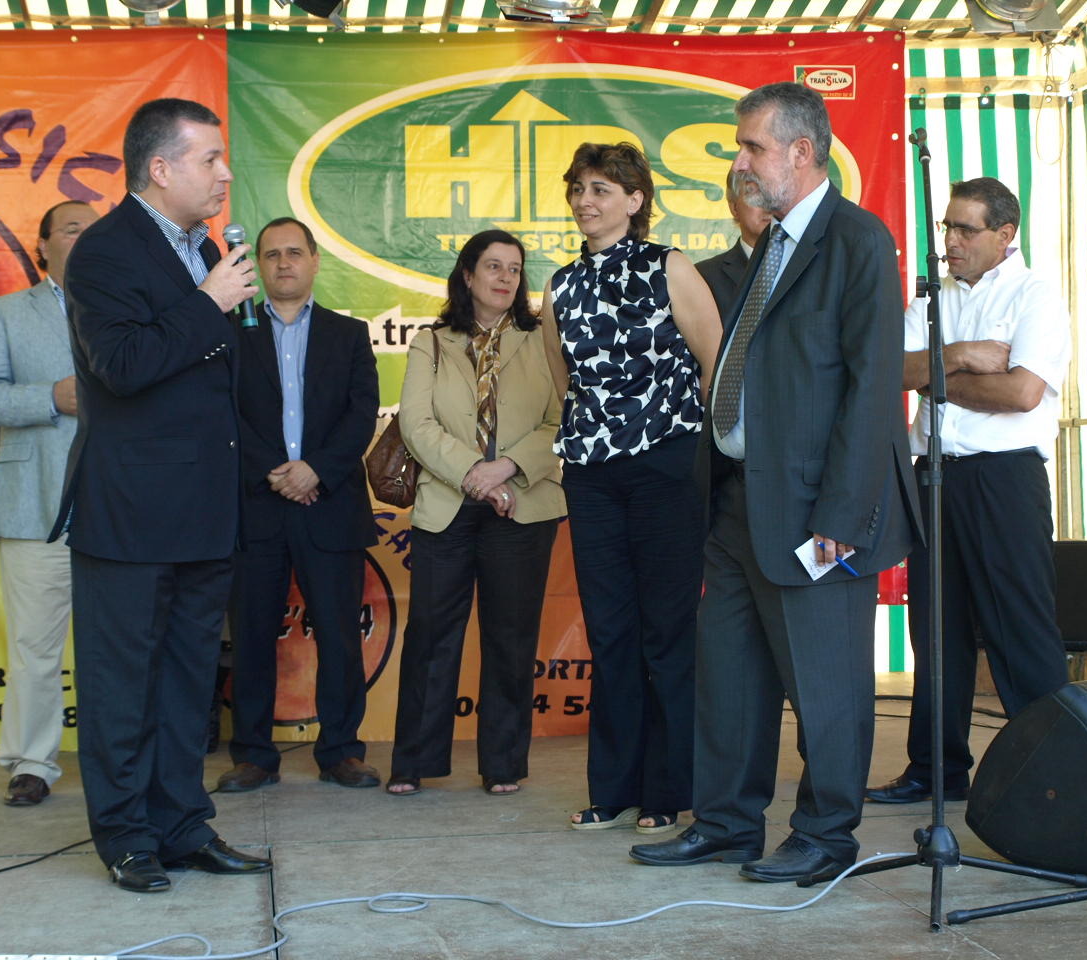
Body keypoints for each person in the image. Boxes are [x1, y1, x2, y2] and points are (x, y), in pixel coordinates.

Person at [630, 82, 921, 882]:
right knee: (728, 676)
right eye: (740, 146)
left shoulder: (856, 240)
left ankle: (826, 836)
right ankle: (727, 822)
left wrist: (842, 517)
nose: (741, 162)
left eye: (752, 147)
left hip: (814, 512)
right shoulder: (773, 244)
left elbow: (871, 389)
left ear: (801, 150)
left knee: (825, 684)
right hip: (736, 500)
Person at [51, 97, 270, 893]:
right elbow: (122, 366)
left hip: (205, 507)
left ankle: (181, 826)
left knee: (186, 682)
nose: (225, 173)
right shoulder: (105, 251)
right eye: (209, 158)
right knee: (123, 687)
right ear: (160, 168)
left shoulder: (204, 248)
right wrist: (209, 302)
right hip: (132, 512)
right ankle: (125, 836)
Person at [866, 177, 1069, 805]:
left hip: (1004, 477)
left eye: (964, 229)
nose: (949, 241)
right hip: (934, 474)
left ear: (1005, 235)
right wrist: (959, 354)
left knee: (1019, 629)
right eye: (947, 226)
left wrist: (935, 379)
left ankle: (1056, 775)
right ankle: (936, 770)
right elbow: (888, 370)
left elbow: (1021, 393)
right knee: (935, 630)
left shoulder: (1036, 295)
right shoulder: (934, 299)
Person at [541, 142, 721, 833]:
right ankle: (611, 789)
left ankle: (669, 791)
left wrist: (686, 445)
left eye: (601, 189)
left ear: (636, 200)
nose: (585, 200)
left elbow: (714, 360)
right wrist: (600, 436)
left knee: (666, 630)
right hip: (592, 474)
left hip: (667, 467)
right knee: (610, 630)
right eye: (579, 188)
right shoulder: (560, 285)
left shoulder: (669, 266)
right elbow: (565, 379)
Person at [388, 230, 565, 798]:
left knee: (511, 637)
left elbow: (562, 421)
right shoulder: (431, 343)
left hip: (524, 505)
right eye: (493, 266)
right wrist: (474, 473)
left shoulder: (544, 341)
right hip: (447, 506)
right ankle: (413, 762)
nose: (505, 277)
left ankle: (503, 765)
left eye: (514, 268)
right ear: (467, 275)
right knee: (431, 634)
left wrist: (506, 468)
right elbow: (416, 424)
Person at [217, 217, 380, 794]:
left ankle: (341, 751)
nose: (283, 263)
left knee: (339, 636)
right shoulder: (231, 333)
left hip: (329, 505)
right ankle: (254, 756)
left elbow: (361, 414)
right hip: (256, 505)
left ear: (314, 261)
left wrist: (317, 470)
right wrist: (277, 473)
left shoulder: (349, 333)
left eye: (294, 252)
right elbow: (222, 413)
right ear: (257, 266)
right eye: (271, 254)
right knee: (252, 637)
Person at [0, 200, 98, 808]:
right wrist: (51, 397)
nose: (85, 238)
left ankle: (118, 757)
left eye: (95, 230)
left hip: (116, 505)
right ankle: (32, 763)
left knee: (117, 647)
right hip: (33, 504)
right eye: (72, 229)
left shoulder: (127, 309)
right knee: (35, 646)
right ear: (42, 245)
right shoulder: (7, 312)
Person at [696, 170, 773, 318]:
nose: (768, 205)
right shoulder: (702, 277)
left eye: (775, 194)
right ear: (734, 207)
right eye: (755, 193)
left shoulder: (810, 267)